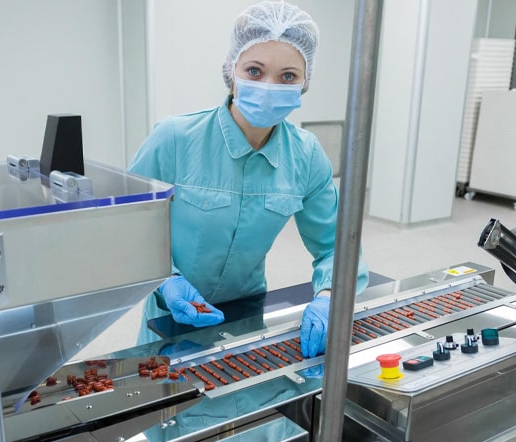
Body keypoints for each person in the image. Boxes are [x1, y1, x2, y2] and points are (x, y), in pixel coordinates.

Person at [130, 0, 368, 358]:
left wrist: (330, 297)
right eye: (255, 71)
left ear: (305, 82)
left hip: (246, 316)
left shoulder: (305, 155)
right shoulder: (174, 139)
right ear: (232, 70)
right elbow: (126, 233)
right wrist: (166, 282)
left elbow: (337, 246)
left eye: (288, 76)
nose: (269, 86)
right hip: (167, 318)